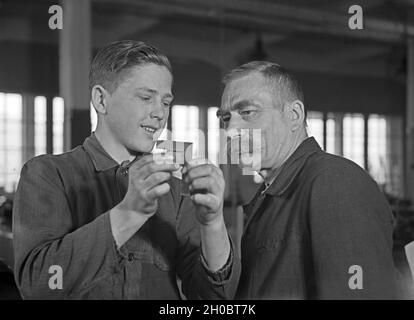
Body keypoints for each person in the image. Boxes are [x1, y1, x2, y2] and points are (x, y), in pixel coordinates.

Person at [13, 40, 240, 299]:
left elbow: (215, 298)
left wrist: (213, 224)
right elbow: (39, 285)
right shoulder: (48, 175)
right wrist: (127, 213)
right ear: (101, 100)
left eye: (166, 102)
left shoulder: (176, 192)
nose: (159, 113)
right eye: (146, 97)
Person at [218, 61, 402, 299]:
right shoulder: (272, 194)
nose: (231, 129)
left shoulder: (334, 182)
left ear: (294, 115)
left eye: (247, 112)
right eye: (225, 118)